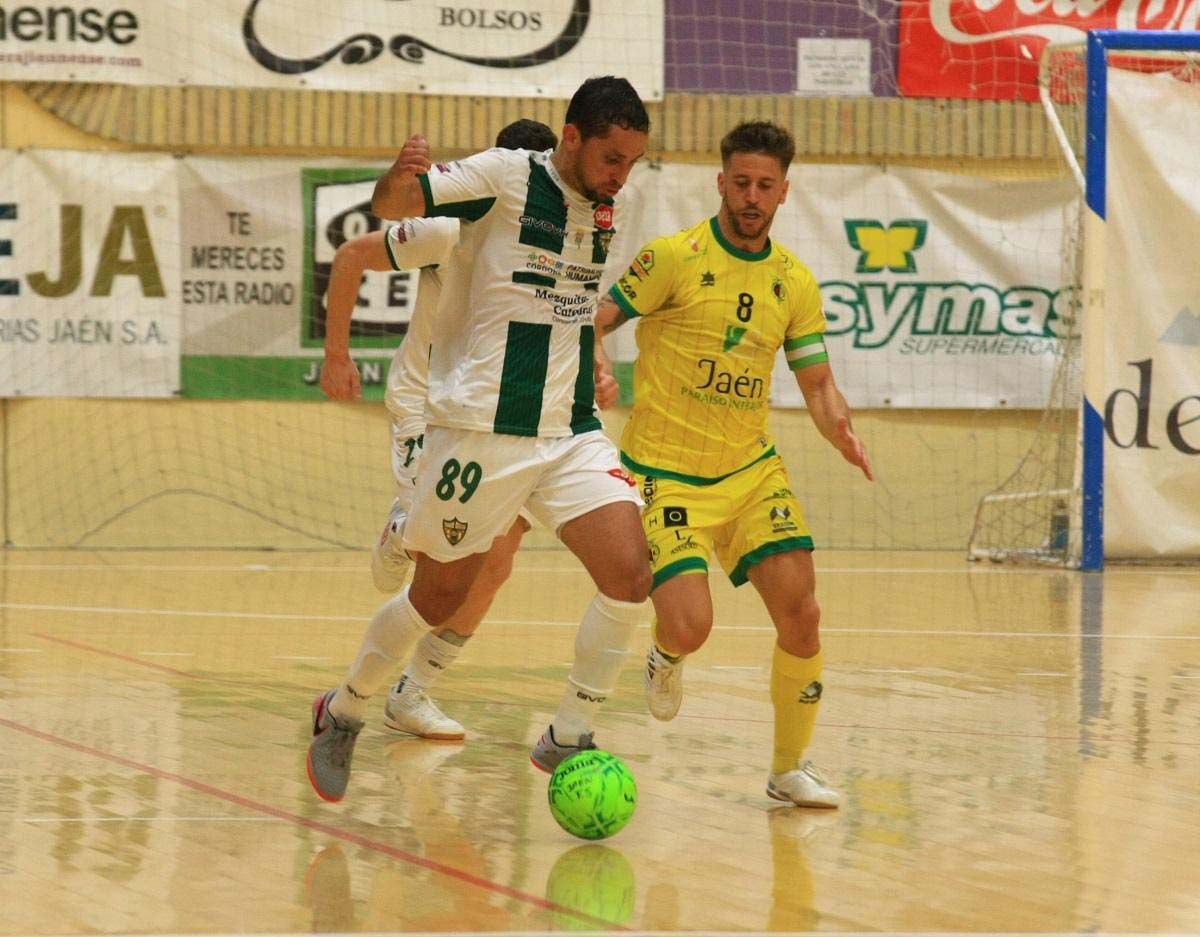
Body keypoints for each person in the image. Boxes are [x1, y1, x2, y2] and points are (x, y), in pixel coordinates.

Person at [306, 77, 654, 803]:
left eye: (632, 162)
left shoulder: (610, 208)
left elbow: (571, 306)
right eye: (612, 158)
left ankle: (569, 732)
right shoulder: (503, 176)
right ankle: (346, 709)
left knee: (629, 572)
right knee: (438, 596)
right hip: (480, 431)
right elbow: (392, 207)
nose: (621, 174)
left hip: (567, 433)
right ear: (571, 139)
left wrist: (596, 368)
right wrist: (400, 177)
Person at [597, 121, 874, 808]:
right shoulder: (673, 257)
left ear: (784, 192)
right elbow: (593, 318)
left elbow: (816, 382)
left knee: (803, 612)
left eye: (766, 186)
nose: (752, 196)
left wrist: (840, 427)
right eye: (742, 182)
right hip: (663, 472)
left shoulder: (794, 281)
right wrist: (598, 358)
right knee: (692, 623)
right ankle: (667, 653)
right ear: (721, 182)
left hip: (750, 472)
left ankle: (789, 768)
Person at [318, 121, 579, 742]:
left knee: (496, 563)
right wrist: (337, 355)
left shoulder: (563, 242)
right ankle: (404, 528)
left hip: (505, 423)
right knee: (438, 559)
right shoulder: (451, 225)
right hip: (430, 413)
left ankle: (414, 693)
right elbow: (354, 255)